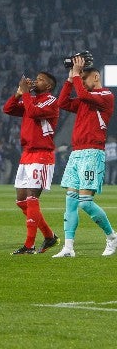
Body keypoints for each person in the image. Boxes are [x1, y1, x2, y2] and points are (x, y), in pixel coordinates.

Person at [53, 56, 117, 257]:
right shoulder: (84, 98)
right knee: (70, 202)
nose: (81, 79)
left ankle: (112, 237)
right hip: (76, 153)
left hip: (92, 153)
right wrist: (71, 78)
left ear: (96, 77)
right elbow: (62, 102)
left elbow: (82, 93)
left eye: (85, 77)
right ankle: (68, 248)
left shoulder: (105, 95)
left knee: (85, 203)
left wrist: (76, 75)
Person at [3, 73, 60, 255]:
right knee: (21, 200)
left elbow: (34, 112)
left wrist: (27, 94)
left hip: (42, 154)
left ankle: (29, 245)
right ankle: (49, 236)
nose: (36, 81)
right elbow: (8, 109)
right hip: (27, 154)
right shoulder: (32, 100)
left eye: (41, 80)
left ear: (49, 86)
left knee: (32, 198)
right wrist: (20, 93)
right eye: (36, 78)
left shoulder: (51, 101)